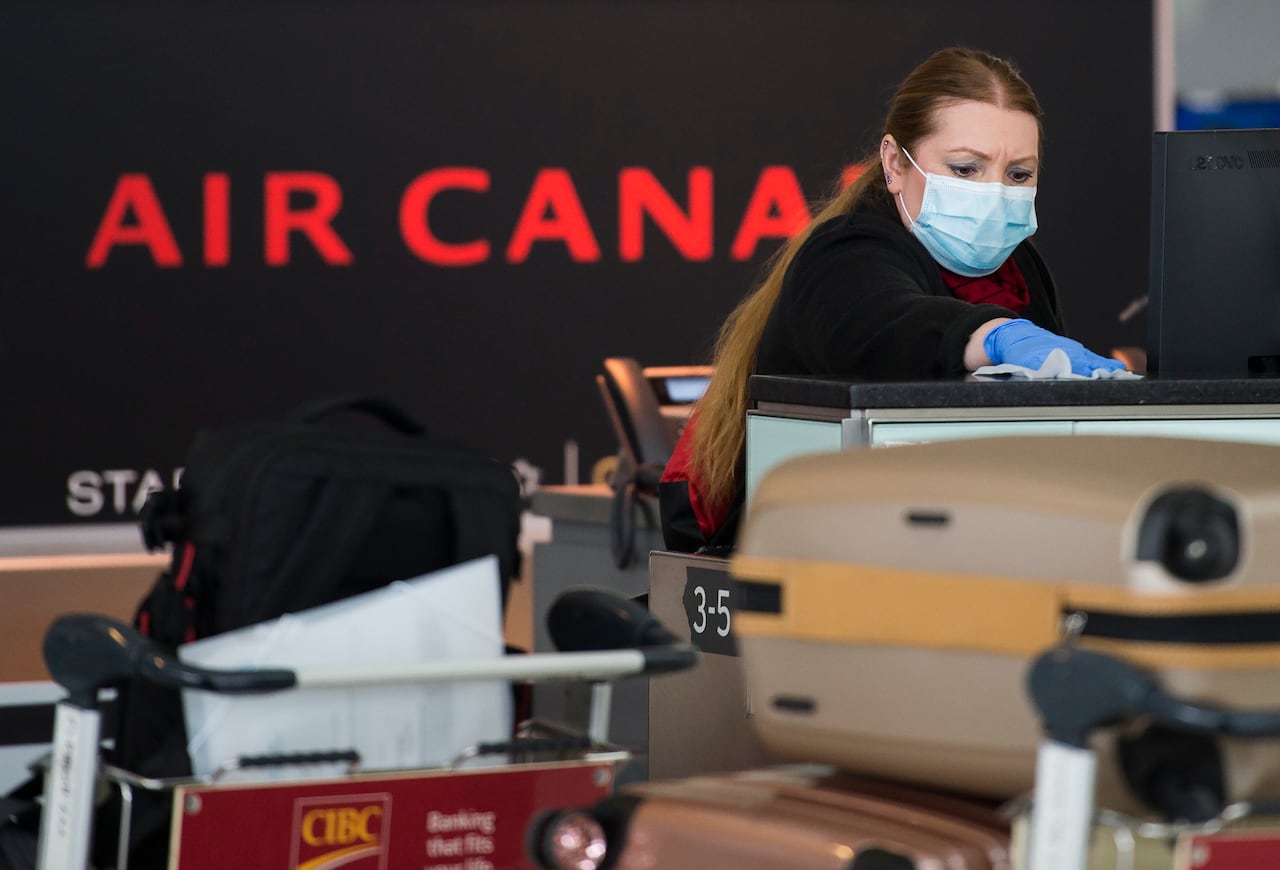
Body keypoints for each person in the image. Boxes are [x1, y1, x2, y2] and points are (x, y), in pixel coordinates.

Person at [659, 46, 1126, 554]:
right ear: (893, 164)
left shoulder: (1020, 270)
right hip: (808, 555)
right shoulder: (844, 253)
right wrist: (999, 336)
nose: (995, 194)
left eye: (1018, 175)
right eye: (967, 169)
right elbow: (885, 322)